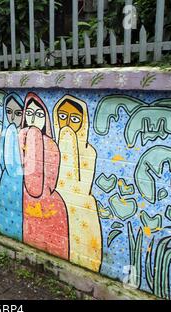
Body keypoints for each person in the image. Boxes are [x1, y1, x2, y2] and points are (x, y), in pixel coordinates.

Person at [53, 95, 102, 272]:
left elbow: (83, 188)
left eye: (74, 119)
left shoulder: (89, 152)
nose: (67, 123)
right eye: (63, 117)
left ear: (83, 122)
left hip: (81, 210)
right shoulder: (52, 146)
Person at [19, 92, 69, 259]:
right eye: (30, 114)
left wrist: (34, 140)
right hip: (28, 201)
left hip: (50, 205)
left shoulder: (50, 145)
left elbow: (41, 186)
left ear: (45, 118)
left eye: (39, 114)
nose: (33, 119)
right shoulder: (21, 140)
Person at [0, 93, 24, 241]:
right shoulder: (7, 132)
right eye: (9, 112)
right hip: (6, 182)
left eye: (18, 113)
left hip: (21, 183)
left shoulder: (24, 135)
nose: (12, 117)